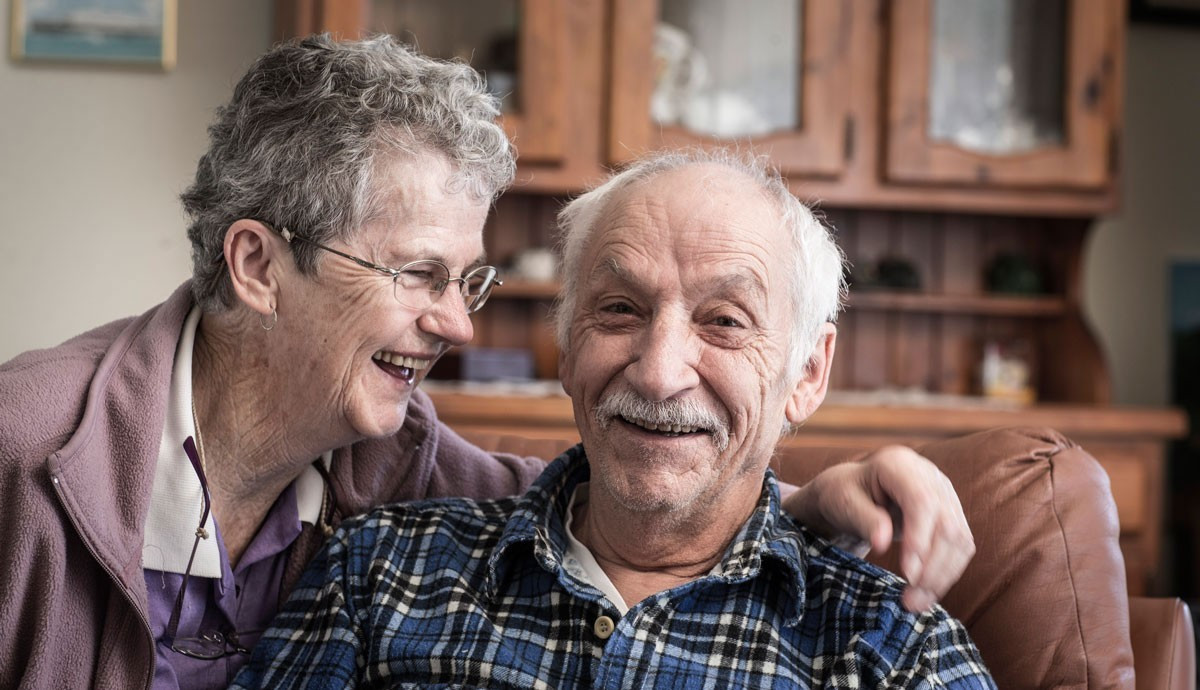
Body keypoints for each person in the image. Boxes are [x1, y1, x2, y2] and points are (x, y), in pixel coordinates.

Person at [0, 36, 971, 690]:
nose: (459, 330)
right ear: (257, 264)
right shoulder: (26, 459)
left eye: (468, 280)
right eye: (418, 272)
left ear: (811, 371)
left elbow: (630, 492)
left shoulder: (398, 458)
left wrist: (800, 503)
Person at [229, 149, 995, 689]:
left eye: (724, 321)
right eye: (620, 309)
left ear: (808, 374)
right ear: (566, 347)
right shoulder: (382, 574)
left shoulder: (891, 649)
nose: (659, 371)